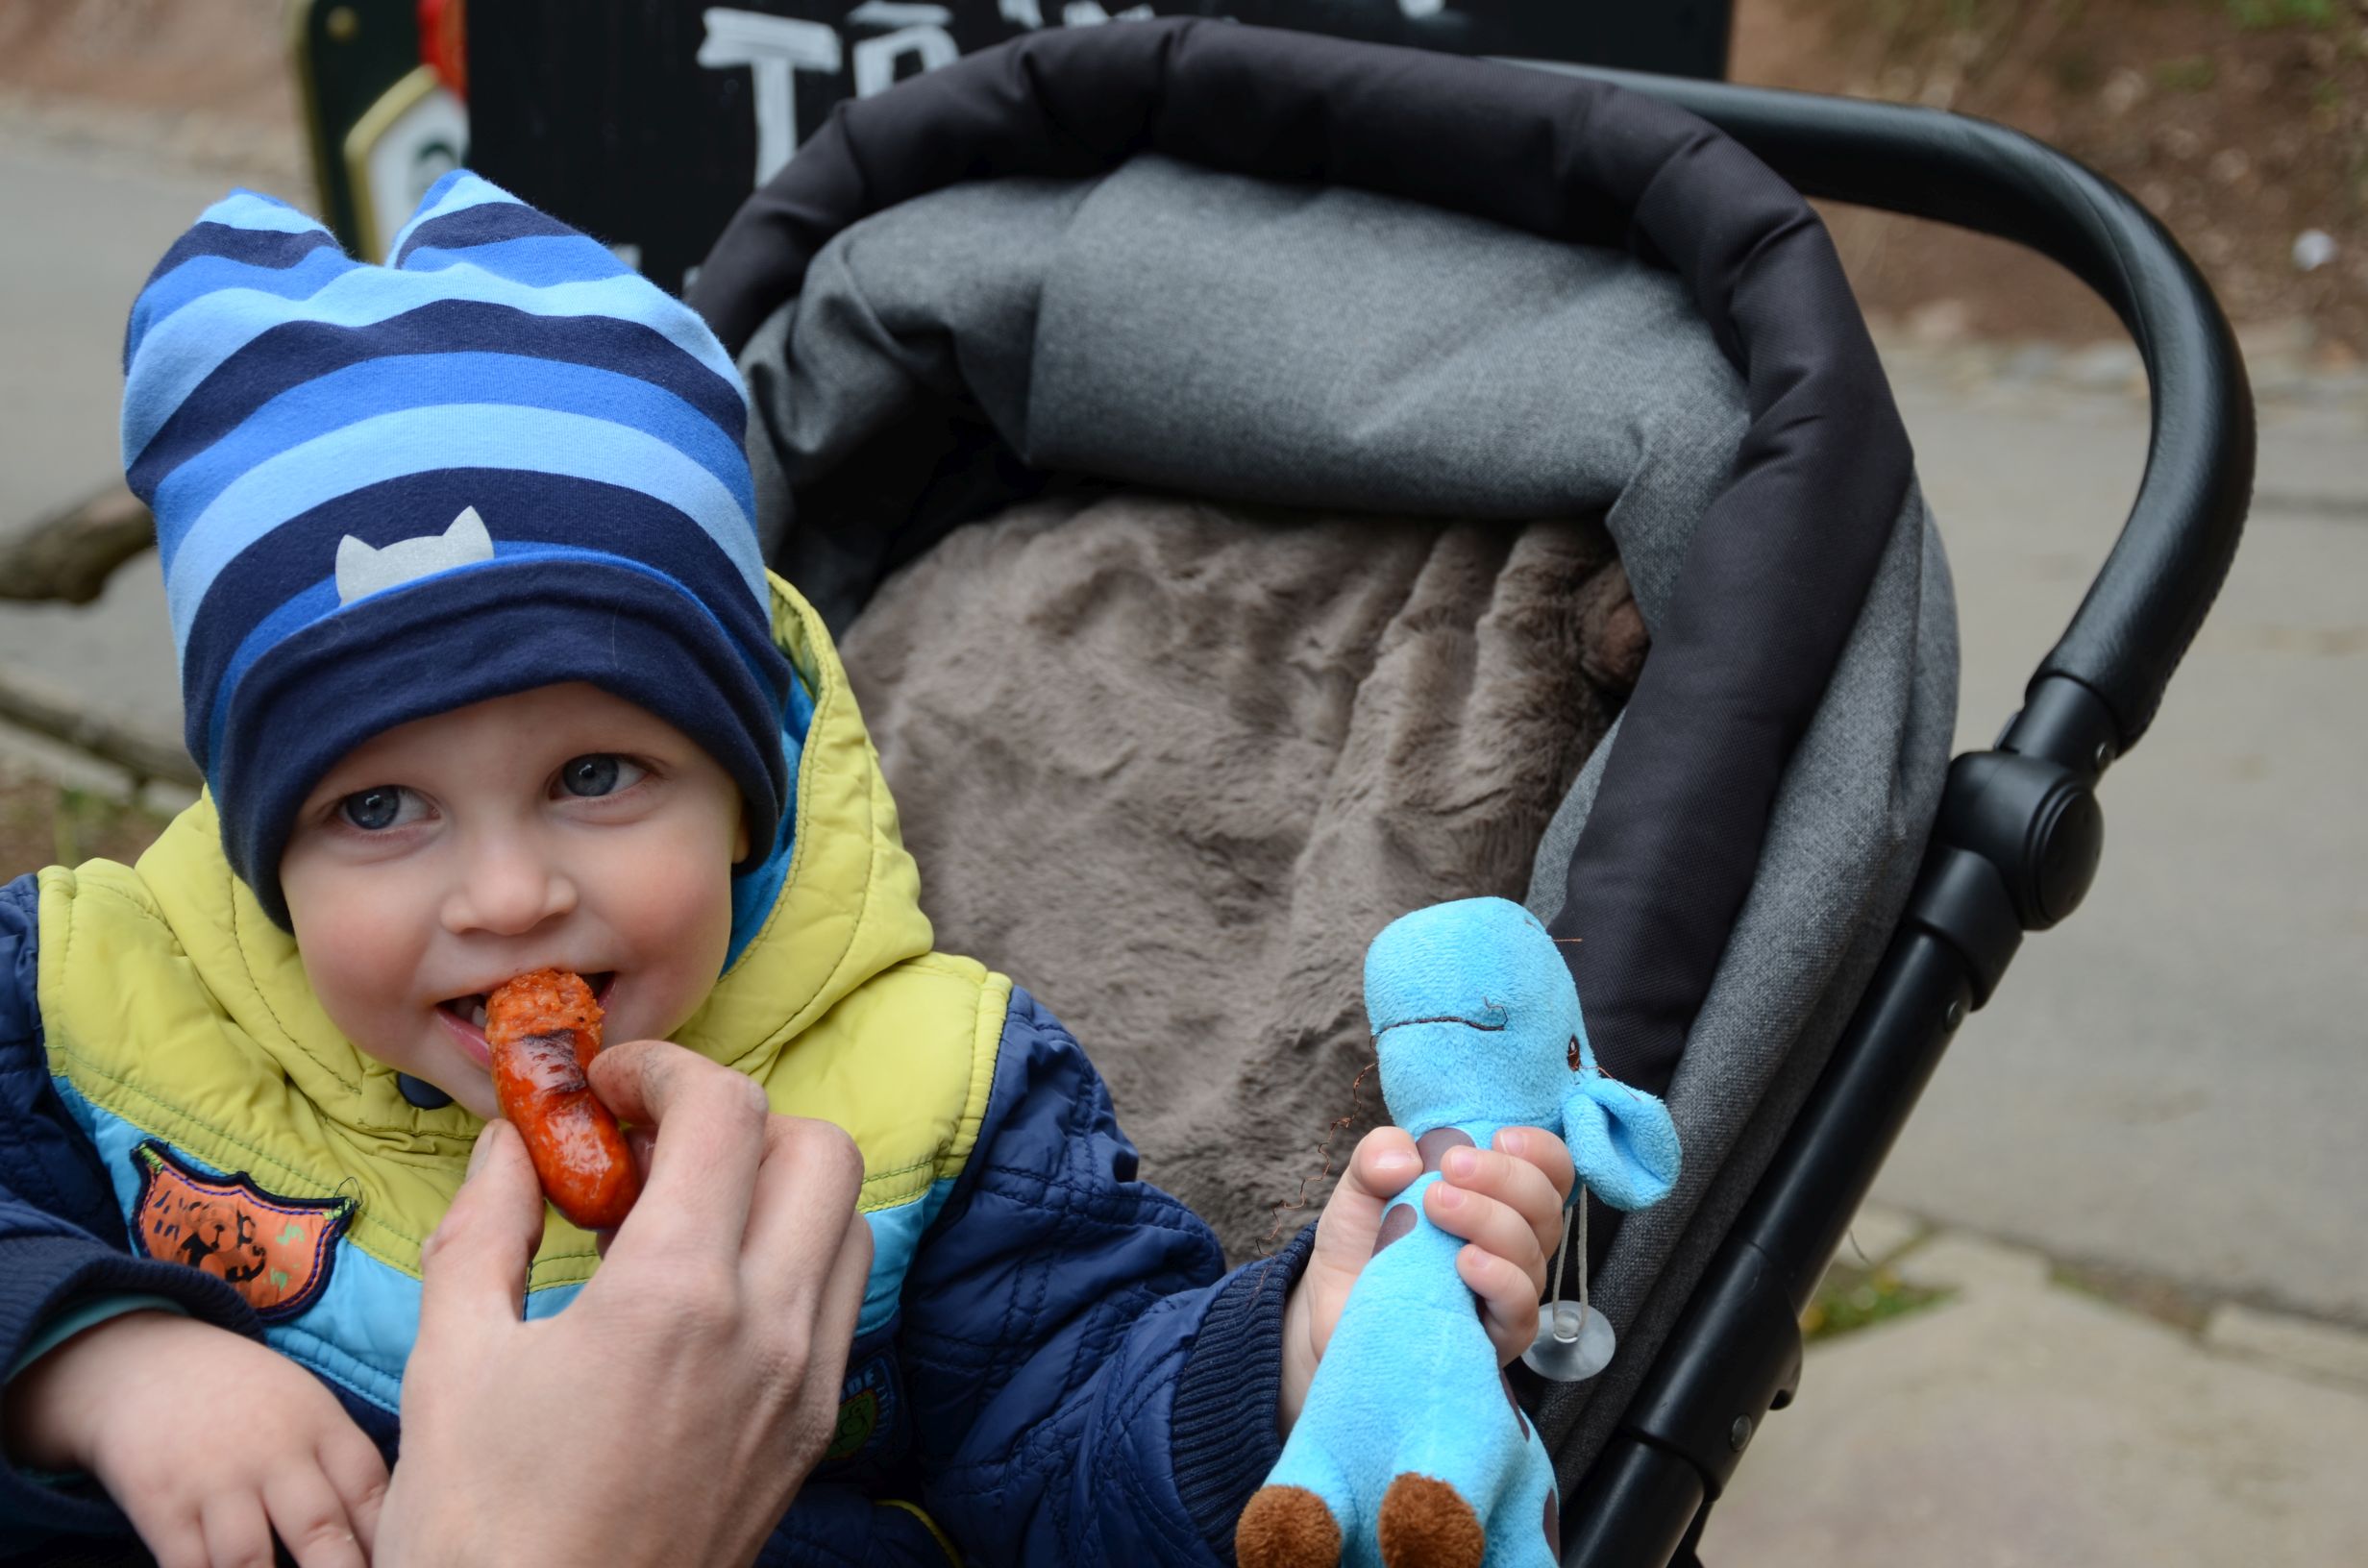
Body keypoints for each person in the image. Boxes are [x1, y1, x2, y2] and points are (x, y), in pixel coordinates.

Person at [0, 173, 1572, 1567]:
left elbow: (1064, 1438)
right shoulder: (93, 1006)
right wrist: (104, 1357)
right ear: (262, 849)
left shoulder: (934, 1097)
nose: (506, 896)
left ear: (747, 795)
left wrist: (1290, 1362)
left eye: (594, 777)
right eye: (378, 808)